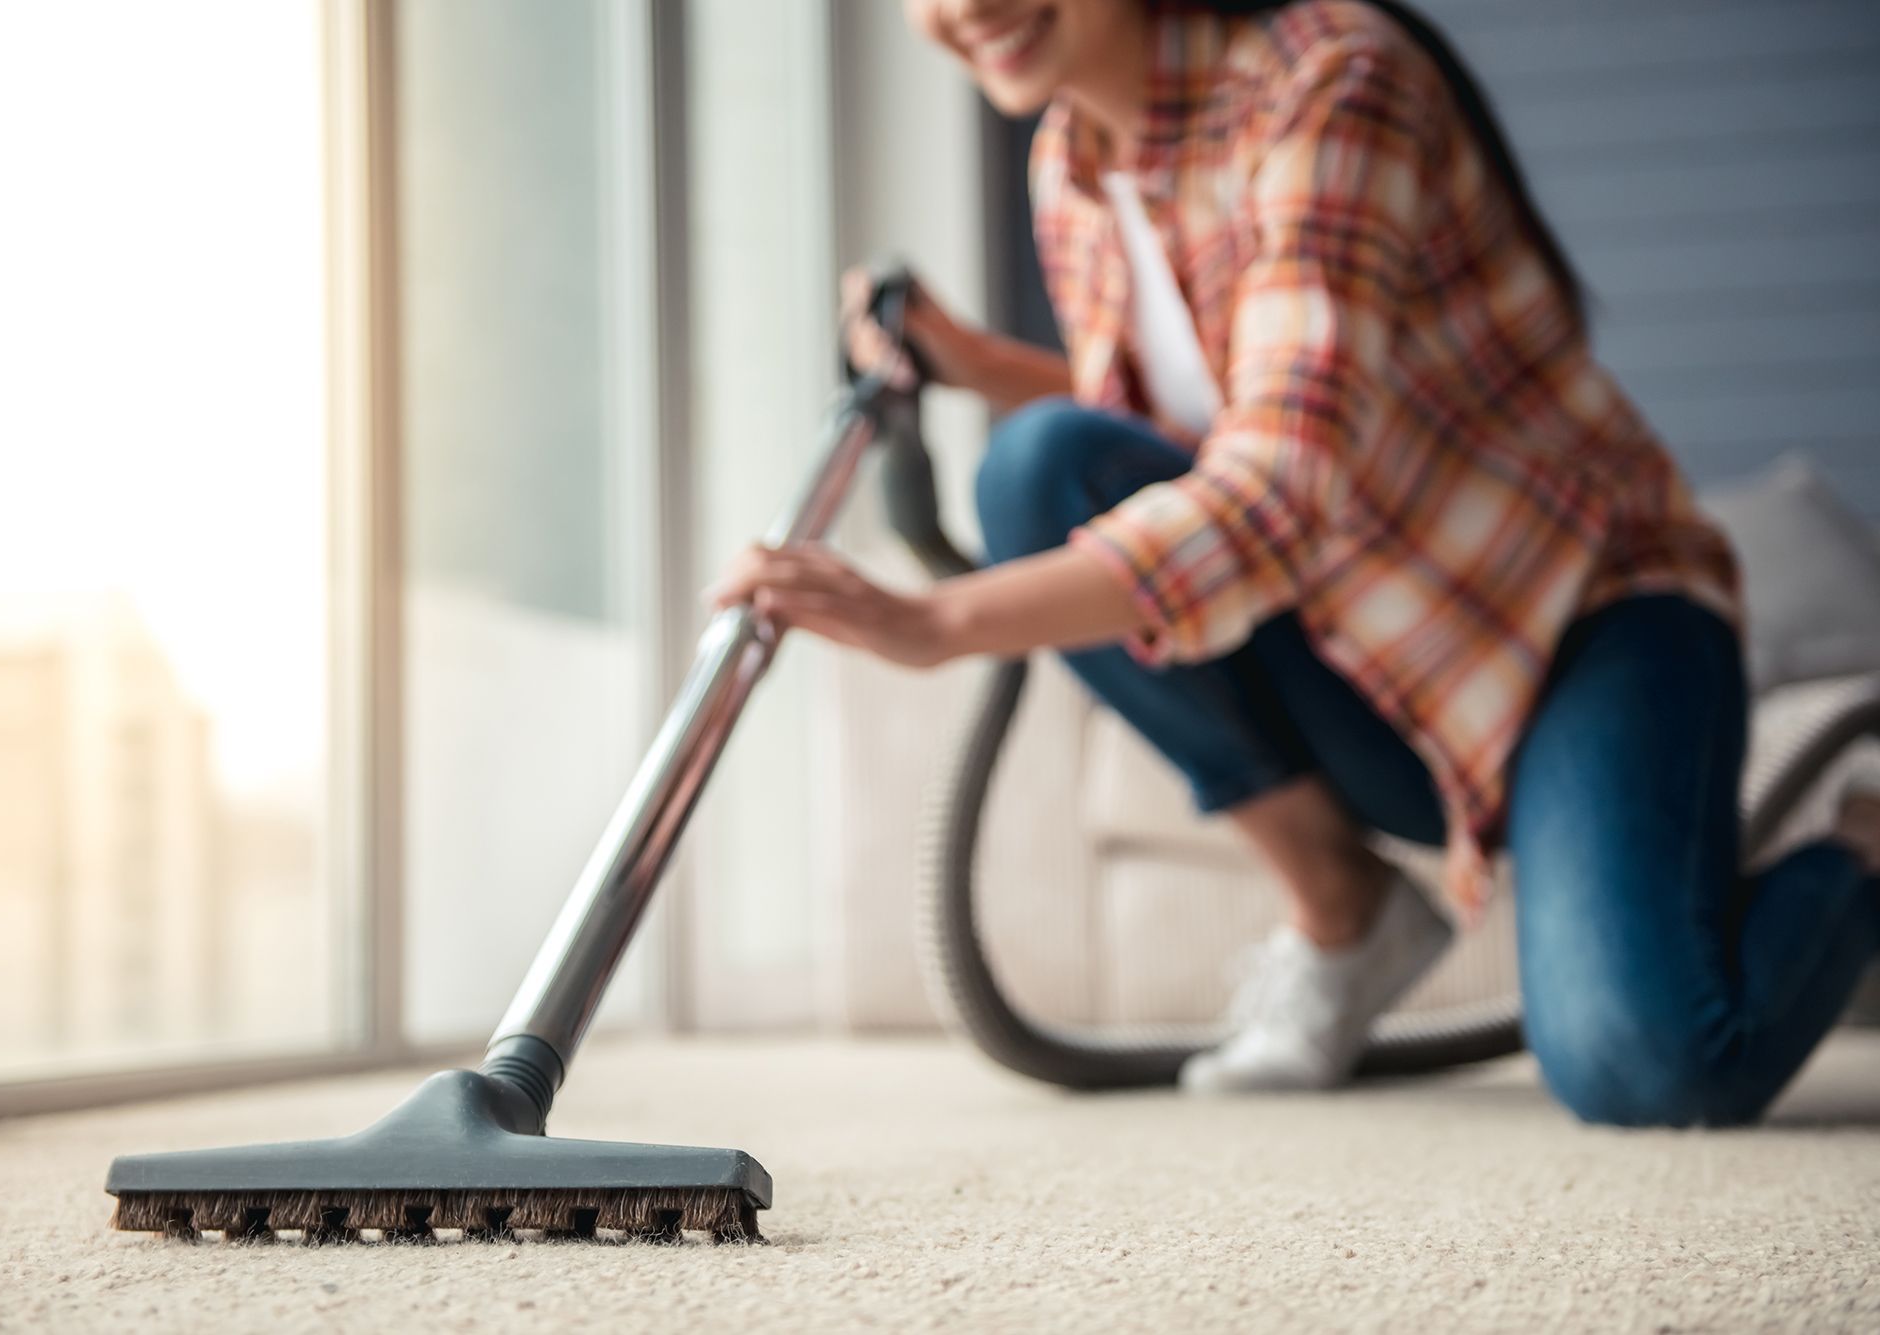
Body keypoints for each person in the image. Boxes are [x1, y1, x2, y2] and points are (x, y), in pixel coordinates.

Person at [710, 0, 1880, 1124]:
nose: (966, 2)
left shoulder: (1333, 81)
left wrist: (938, 623)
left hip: (1583, 628)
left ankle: (1865, 844)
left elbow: (1280, 491)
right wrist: (975, 362)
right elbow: (1187, 426)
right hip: (1373, 664)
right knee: (1040, 466)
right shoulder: (1072, 157)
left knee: (1653, 1064)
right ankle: (1346, 911)